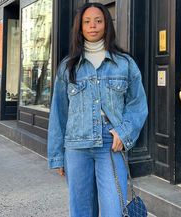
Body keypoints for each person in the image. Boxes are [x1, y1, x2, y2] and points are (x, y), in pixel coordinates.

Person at [47, 2, 148, 217]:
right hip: (76, 146)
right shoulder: (68, 67)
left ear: (106, 25)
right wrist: (57, 156)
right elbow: (59, 113)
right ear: (80, 27)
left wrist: (124, 132)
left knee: (114, 209)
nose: (93, 26)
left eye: (98, 20)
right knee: (81, 210)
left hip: (111, 145)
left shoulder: (125, 64)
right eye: (87, 21)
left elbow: (138, 105)